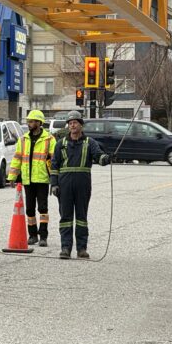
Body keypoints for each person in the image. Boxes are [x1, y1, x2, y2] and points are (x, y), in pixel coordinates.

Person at [49, 110, 109, 260]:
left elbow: (98, 156)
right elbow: (54, 165)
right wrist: (54, 184)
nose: (72, 125)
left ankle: (82, 249)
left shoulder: (90, 143)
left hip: (83, 184)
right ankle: (65, 248)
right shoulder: (60, 144)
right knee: (66, 218)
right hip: (64, 185)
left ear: (81, 125)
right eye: (70, 123)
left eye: (75, 122)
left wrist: (106, 158)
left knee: (82, 217)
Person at [7, 109, 56, 246]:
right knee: (29, 209)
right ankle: (33, 235)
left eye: (33, 121)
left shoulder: (49, 139)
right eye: (29, 121)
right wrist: (12, 176)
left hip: (42, 179)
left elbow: (54, 160)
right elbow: (17, 159)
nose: (30, 123)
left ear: (39, 123)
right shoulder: (23, 140)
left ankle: (43, 236)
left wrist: (54, 178)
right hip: (27, 179)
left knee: (42, 208)